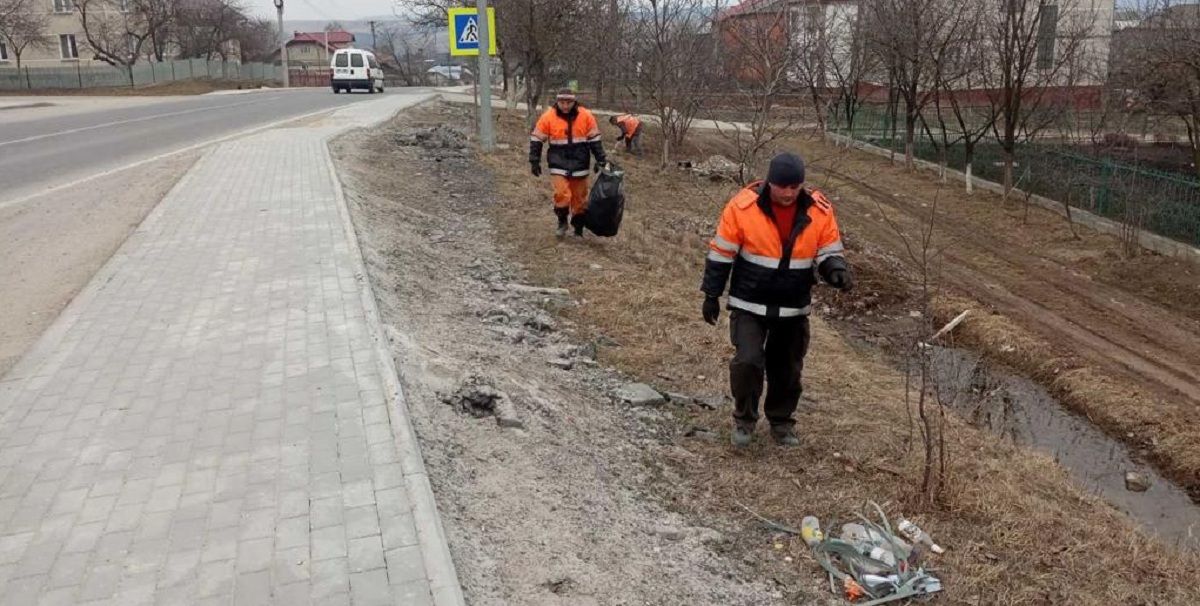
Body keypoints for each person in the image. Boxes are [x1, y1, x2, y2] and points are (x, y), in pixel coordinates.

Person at [700, 152, 853, 447]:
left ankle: (781, 423)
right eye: (782, 186)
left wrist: (836, 270)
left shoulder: (820, 210)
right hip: (749, 302)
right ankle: (744, 420)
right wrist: (711, 295)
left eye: (794, 187)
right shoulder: (742, 207)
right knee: (747, 362)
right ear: (770, 182)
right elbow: (721, 254)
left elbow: (827, 249)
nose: (788, 193)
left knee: (788, 368)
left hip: (793, 305)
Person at [529, 89, 608, 237]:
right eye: (562, 102)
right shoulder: (548, 116)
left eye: (568, 103)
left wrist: (601, 158)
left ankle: (578, 228)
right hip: (558, 161)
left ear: (574, 102)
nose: (565, 106)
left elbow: (595, 139)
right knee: (561, 193)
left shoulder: (586, 115)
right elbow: (537, 138)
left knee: (579, 199)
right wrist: (534, 160)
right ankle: (562, 221)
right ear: (557, 102)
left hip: (580, 161)